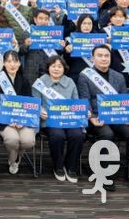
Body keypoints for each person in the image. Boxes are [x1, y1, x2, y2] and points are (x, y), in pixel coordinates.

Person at [77, 44, 129, 191]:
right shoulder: (85, 76)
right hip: (97, 117)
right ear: (93, 58)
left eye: (106, 56)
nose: (104, 59)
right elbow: (84, 99)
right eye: (100, 56)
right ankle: (105, 175)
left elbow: (125, 100)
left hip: (118, 116)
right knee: (107, 135)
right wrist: (91, 118)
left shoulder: (118, 76)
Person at [33, 55, 84, 183]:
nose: (56, 69)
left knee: (77, 135)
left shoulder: (70, 82)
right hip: (50, 120)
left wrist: (82, 112)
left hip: (69, 119)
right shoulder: (40, 82)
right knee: (57, 135)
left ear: (64, 68)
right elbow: (35, 102)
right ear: (48, 68)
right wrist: (39, 111)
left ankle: (71, 166)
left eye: (59, 66)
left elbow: (76, 102)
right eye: (53, 66)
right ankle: (58, 166)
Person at [0, 50, 35, 174]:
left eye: (15, 61)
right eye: (9, 61)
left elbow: (29, 103)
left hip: (23, 119)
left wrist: (22, 120)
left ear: (19, 63)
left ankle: (17, 155)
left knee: (28, 141)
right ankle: (14, 160)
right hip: (3, 120)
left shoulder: (24, 80)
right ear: (4, 63)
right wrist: (9, 120)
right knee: (12, 140)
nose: (12, 64)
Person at [21, 9, 64, 84]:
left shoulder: (54, 33)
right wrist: (26, 45)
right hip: (31, 70)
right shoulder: (27, 33)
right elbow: (20, 51)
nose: (43, 21)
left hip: (47, 69)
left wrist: (61, 46)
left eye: (46, 19)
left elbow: (58, 53)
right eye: (40, 18)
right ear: (35, 20)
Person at [63, 14, 97, 83]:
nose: (87, 26)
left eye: (89, 24)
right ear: (79, 24)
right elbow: (66, 62)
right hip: (76, 74)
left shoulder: (98, 39)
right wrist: (67, 52)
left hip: (94, 75)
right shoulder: (71, 39)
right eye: (84, 23)